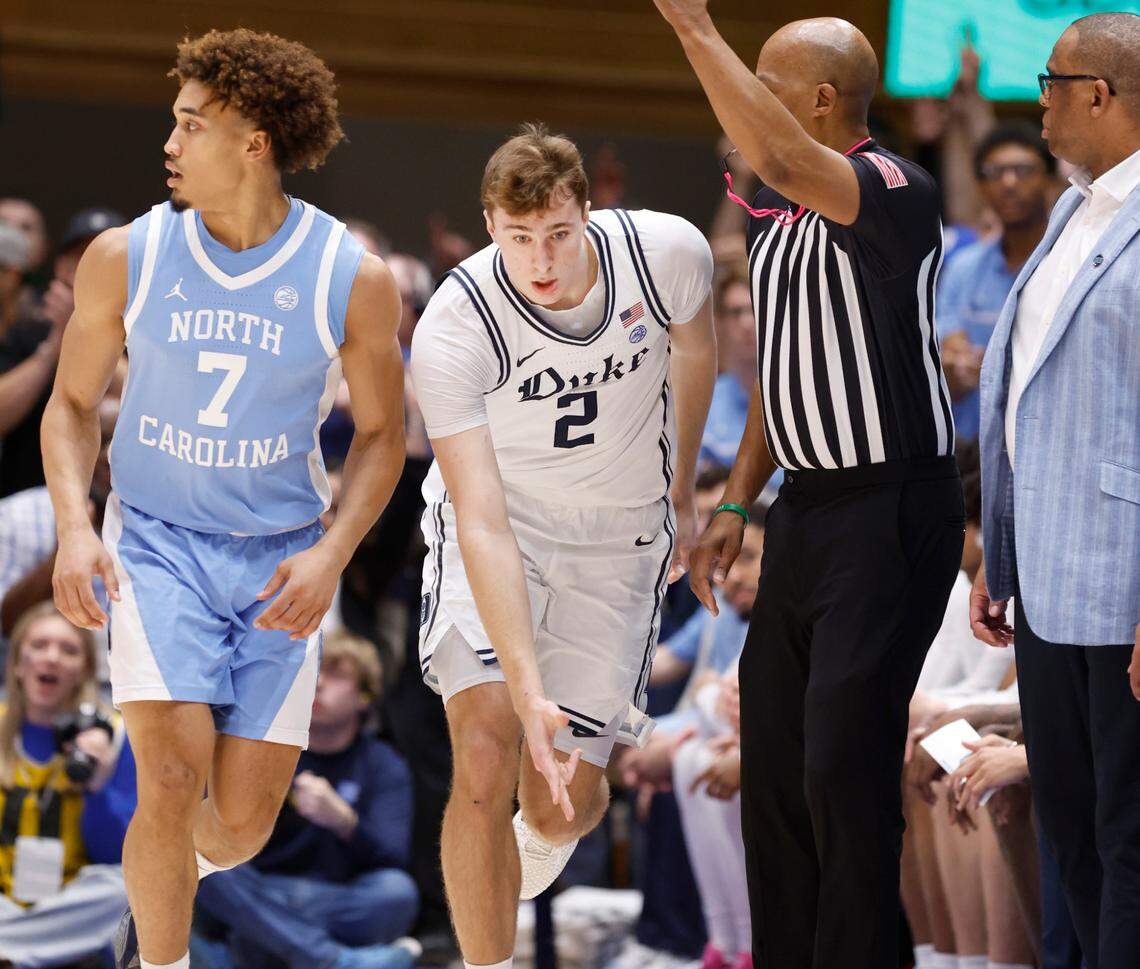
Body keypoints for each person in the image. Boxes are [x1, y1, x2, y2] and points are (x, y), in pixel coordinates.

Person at [40, 28, 405, 969]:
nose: (169, 141)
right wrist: (76, 529)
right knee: (168, 775)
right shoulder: (127, 255)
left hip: (278, 556)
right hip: (156, 542)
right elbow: (72, 405)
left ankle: (153, 888)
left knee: (235, 831)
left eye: (191, 124)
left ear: (253, 140)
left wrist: (331, 556)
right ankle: (163, 959)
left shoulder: (347, 276)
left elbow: (382, 438)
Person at [653, 7, 965, 968]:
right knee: (780, 768)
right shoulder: (783, 225)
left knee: (843, 764)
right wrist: (738, 504)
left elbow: (783, 162)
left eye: (768, 85)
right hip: (806, 509)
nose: (751, 101)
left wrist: (692, 27)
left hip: (893, 504)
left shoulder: (895, 185)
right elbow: (782, 380)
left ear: (823, 100)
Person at [409, 122, 716, 969]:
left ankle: (539, 837)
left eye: (556, 233)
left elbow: (695, 346)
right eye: (516, 239)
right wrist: (525, 682)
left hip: (619, 540)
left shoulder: (666, 254)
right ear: (487, 226)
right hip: (504, 524)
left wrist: (684, 488)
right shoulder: (454, 326)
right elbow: (479, 519)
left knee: (561, 808)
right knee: (485, 741)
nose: (539, 259)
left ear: (590, 209)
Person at [972, 13, 1140, 969]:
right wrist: (1000, 555)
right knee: (1067, 828)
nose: (1037, 101)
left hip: (1124, 586)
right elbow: (1023, 395)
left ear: (1098, 94)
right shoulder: (1075, 208)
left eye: (1049, 81)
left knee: (1127, 834)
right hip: (1044, 577)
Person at [194, 630, 419, 969]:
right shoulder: (267, 750)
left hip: (332, 893)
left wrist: (346, 824)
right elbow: (219, 837)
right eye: (314, 671)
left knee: (397, 893)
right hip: (261, 881)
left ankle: (258, 946)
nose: (318, 684)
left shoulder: (384, 765)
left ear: (365, 696)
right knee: (203, 867)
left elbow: (393, 858)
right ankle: (332, 960)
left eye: (336, 674)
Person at [0, 601, 137, 968]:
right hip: (4, 894)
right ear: (16, 663)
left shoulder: (116, 737)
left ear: (84, 671)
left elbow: (117, 854)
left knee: (127, 888)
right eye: (39, 646)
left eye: (68, 650)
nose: (51, 658)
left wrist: (99, 782)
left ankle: (10, 949)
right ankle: (27, 947)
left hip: (73, 899)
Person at [937, 125, 1055, 439]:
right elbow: (948, 343)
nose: (1009, 183)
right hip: (974, 447)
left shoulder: (1067, 265)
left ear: (1051, 181)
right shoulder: (963, 267)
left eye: (1024, 170)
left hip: (1045, 442)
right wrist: (956, 364)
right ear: (980, 185)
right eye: (994, 172)